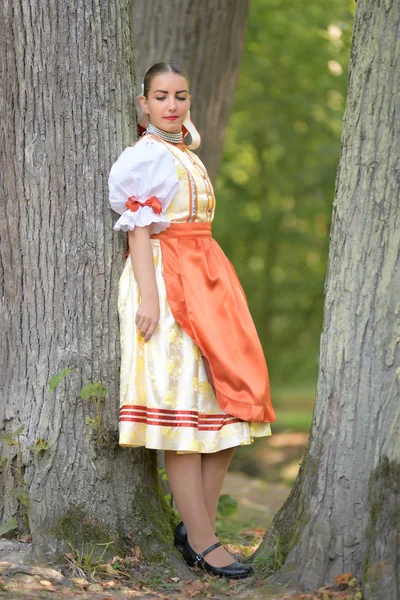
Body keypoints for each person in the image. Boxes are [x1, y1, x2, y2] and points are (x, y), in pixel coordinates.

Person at [108, 62, 276, 579]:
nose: (172, 105)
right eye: (161, 96)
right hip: (165, 279)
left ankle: (193, 525)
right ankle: (203, 540)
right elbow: (139, 231)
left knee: (228, 403)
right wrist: (150, 299)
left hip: (208, 277)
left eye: (180, 95)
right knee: (182, 410)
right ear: (144, 103)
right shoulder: (145, 158)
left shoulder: (185, 154)